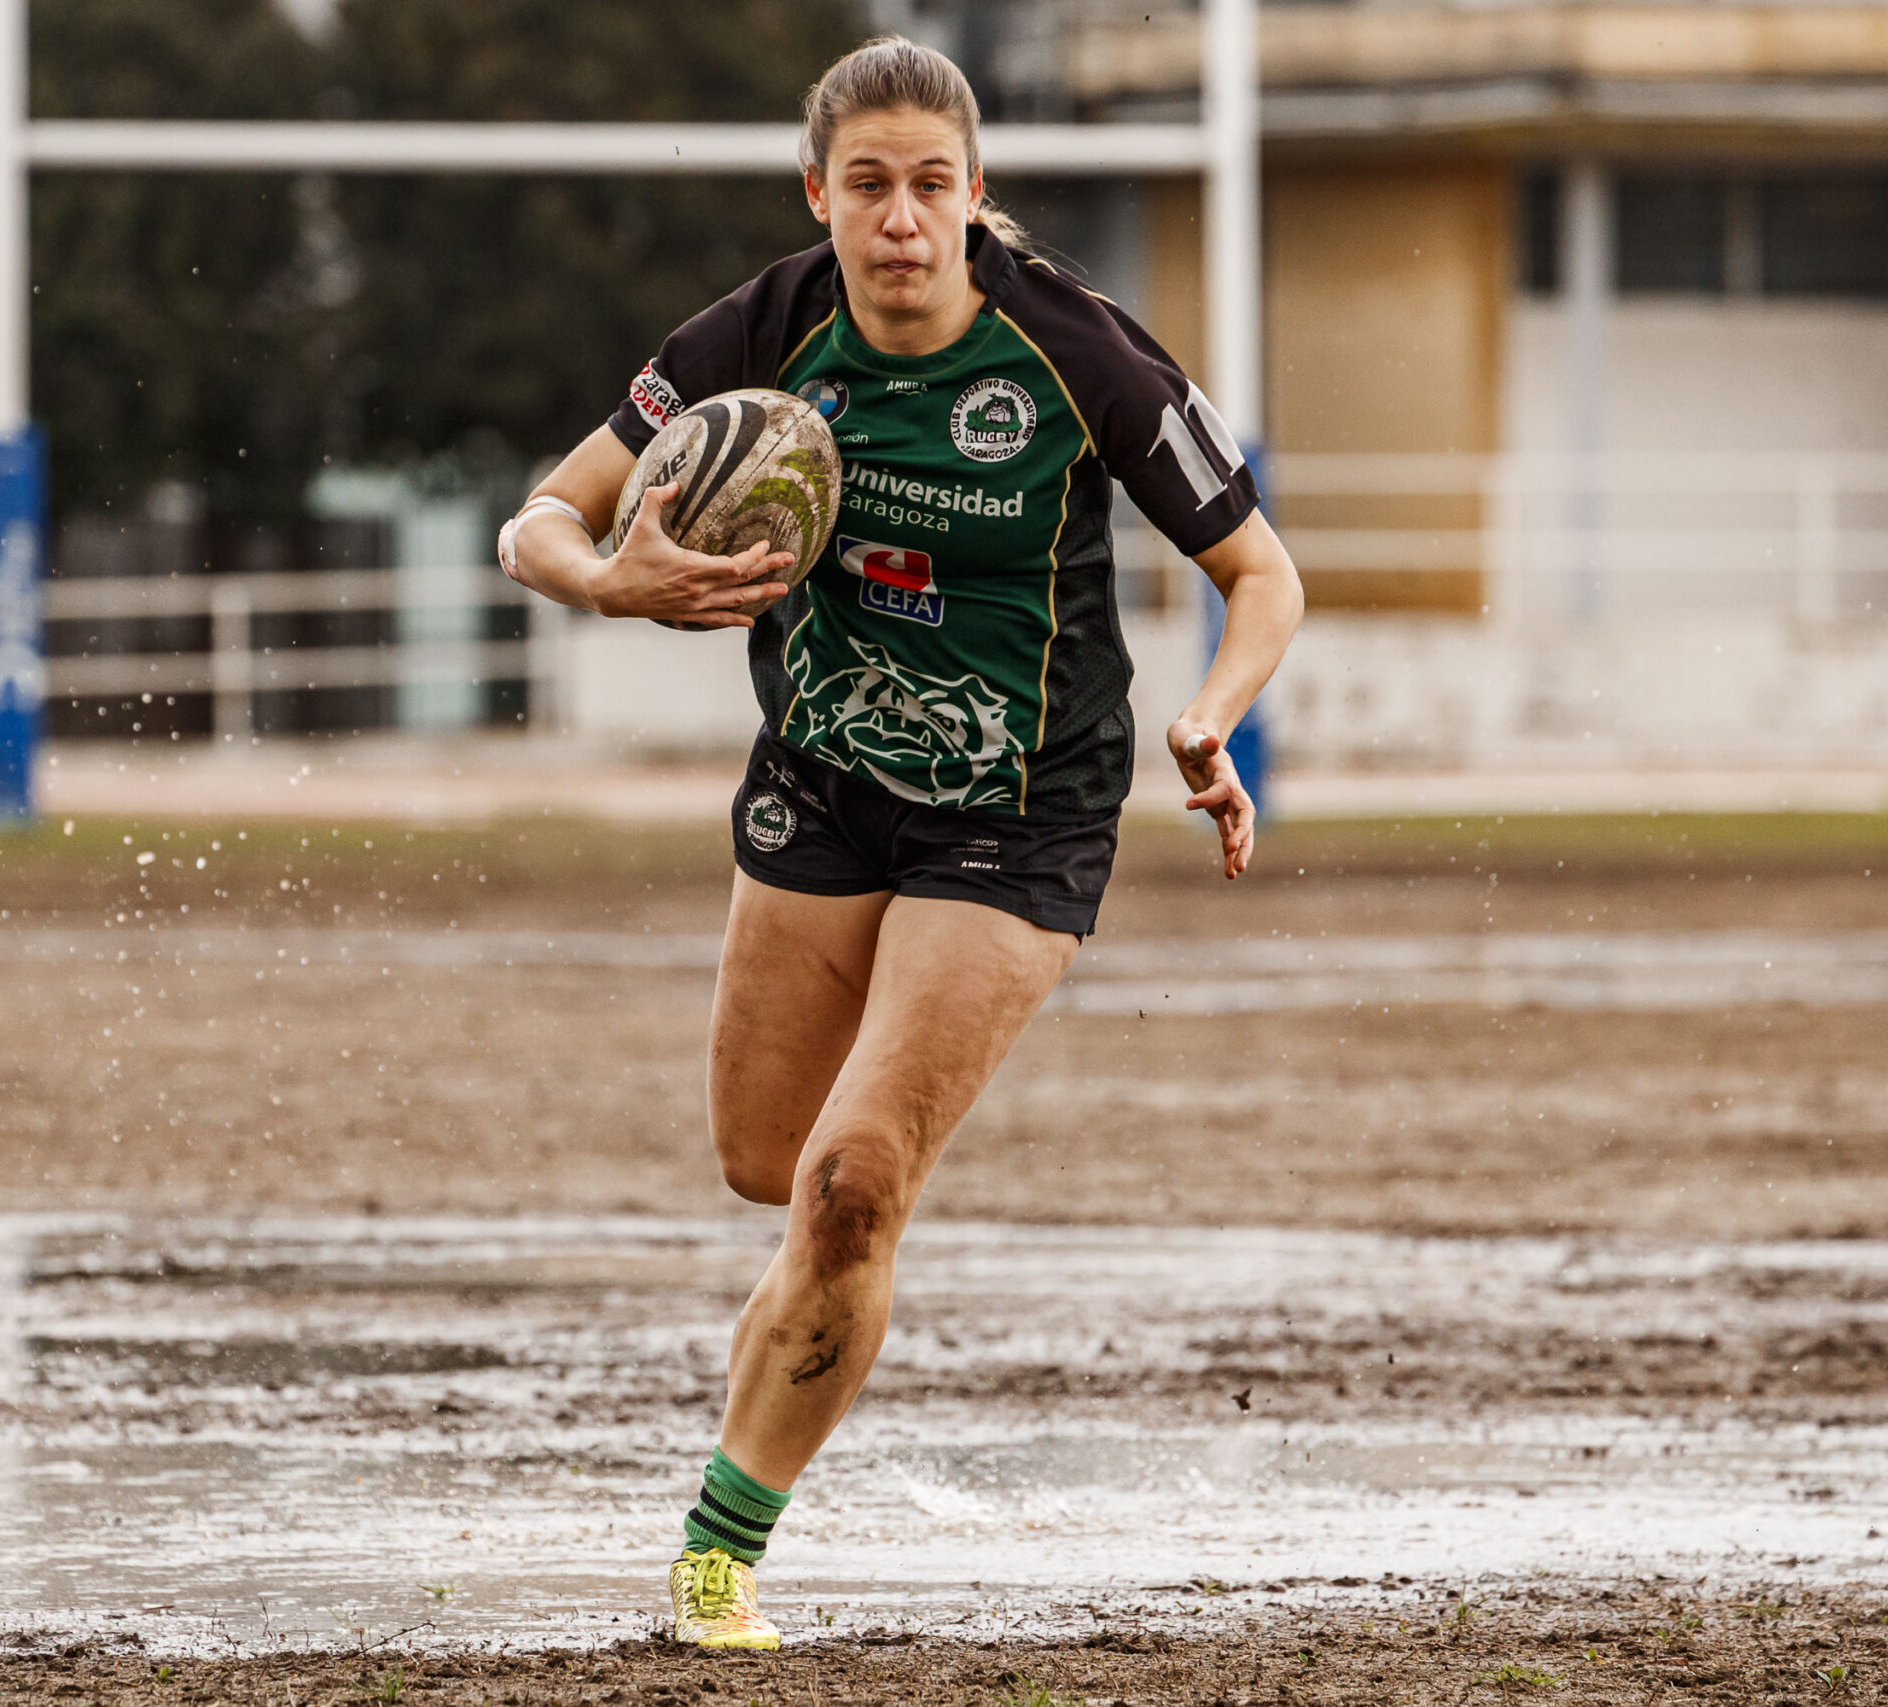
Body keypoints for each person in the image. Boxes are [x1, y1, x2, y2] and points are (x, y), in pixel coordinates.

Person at [496, 35, 1304, 1651]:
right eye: (868, 186)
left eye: (933, 186)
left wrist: (1211, 718)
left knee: (856, 1185)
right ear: (821, 194)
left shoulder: (1083, 355)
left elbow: (1264, 578)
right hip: (820, 784)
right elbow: (540, 518)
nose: (902, 219)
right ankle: (806, 1319)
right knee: (766, 1166)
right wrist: (609, 581)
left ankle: (720, 1551)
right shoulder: (765, 329)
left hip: (1020, 816)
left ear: (977, 196)